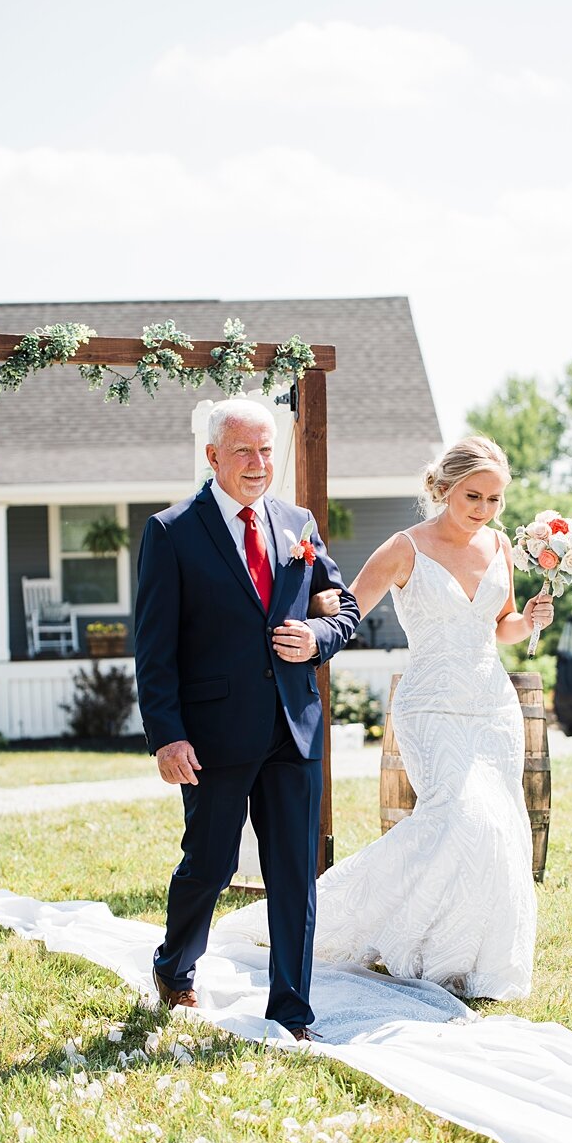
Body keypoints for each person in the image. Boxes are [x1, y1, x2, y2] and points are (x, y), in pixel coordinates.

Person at [229, 435, 554, 1001]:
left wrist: (528, 621)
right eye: (474, 496)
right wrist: (304, 630)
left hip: (492, 705)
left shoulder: (500, 546)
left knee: (499, 826)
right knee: (460, 816)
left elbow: (500, 626)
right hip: (430, 705)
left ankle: (466, 958)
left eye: (495, 500)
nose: (484, 510)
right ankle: (352, 921)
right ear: (446, 489)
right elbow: (346, 609)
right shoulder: (405, 548)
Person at [133, 397, 360, 1037]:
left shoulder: (298, 523)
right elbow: (154, 647)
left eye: (266, 451)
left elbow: (340, 606)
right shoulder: (172, 531)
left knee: (295, 872)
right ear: (212, 456)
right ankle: (175, 968)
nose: (258, 464)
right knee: (210, 864)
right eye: (243, 451)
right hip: (213, 736)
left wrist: (319, 634)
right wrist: (167, 735)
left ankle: (292, 1010)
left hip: (295, 727)